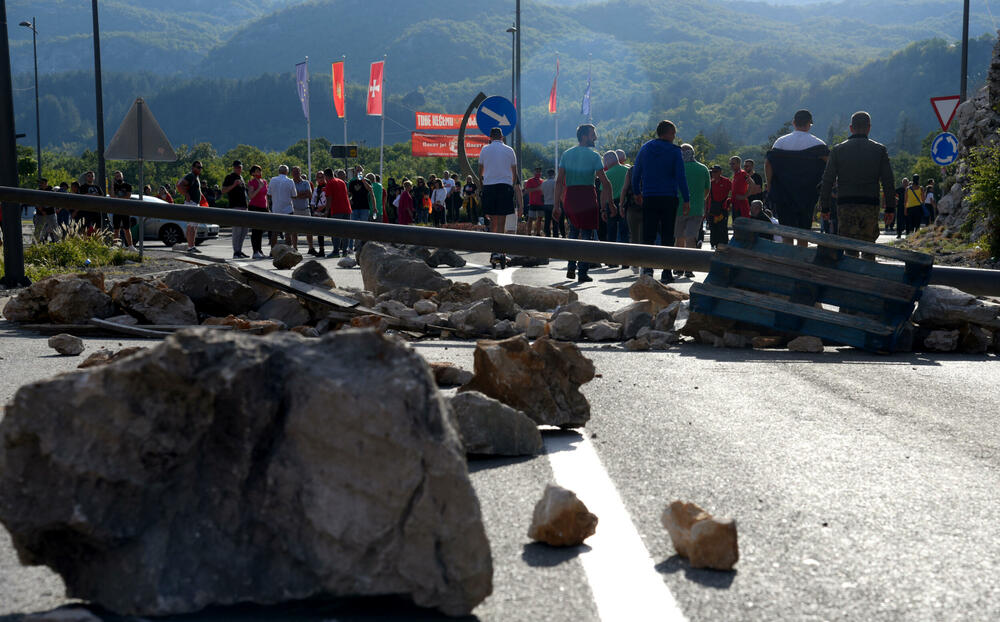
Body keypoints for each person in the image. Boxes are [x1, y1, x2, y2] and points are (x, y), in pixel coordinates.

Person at [819, 111, 895, 259]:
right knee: (869, 248)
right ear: (869, 127)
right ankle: (868, 278)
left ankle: (852, 279)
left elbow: (827, 180)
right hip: (870, 205)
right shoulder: (879, 150)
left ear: (851, 128)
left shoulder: (838, 150)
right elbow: (888, 181)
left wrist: (825, 207)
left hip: (846, 205)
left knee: (849, 249)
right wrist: (890, 208)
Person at [630, 119, 690, 284]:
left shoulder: (645, 148)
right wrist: (686, 198)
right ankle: (666, 271)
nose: (675, 136)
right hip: (669, 197)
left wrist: (636, 192)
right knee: (667, 235)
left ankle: (647, 269)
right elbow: (680, 177)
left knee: (648, 233)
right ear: (669, 133)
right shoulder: (674, 151)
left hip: (649, 196)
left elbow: (636, 172)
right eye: (674, 133)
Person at [554, 123, 613, 283]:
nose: (596, 137)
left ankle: (571, 266)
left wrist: (556, 205)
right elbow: (605, 182)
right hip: (587, 194)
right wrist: (611, 204)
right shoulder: (594, 156)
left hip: (571, 196)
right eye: (593, 134)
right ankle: (582, 272)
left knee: (573, 232)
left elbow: (559, 181)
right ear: (585, 136)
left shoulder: (566, 154)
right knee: (586, 235)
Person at [765, 109, 829, 245]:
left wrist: (769, 184)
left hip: (784, 195)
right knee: (803, 234)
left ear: (794, 123)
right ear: (809, 124)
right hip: (806, 195)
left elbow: (768, 163)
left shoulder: (780, 142)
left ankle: (788, 263)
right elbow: (829, 163)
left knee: (786, 234)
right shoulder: (818, 144)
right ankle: (801, 261)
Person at [477, 127, 523, 267]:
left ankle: (494, 252)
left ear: (490, 137)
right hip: (504, 186)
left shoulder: (484, 149)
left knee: (493, 220)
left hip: (489, 186)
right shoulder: (509, 150)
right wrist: (511, 185)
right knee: (502, 221)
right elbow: (514, 172)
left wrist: (482, 185)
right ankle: (501, 252)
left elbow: (480, 171)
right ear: (502, 137)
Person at [674, 143, 710, 278]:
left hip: (679, 208)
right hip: (697, 209)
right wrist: (699, 200)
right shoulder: (703, 168)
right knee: (691, 238)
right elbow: (707, 190)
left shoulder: (677, 168)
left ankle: (678, 267)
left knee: (679, 238)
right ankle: (690, 267)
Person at [604, 151, 630, 265]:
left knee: (611, 232)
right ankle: (625, 261)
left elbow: (603, 193)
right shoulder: (627, 171)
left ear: (609, 161)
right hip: (624, 203)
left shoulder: (607, 174)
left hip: (611, 204)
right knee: (625, 232)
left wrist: (603, 209)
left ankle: (612, 260)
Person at [221, 160, 250, 259]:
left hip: (244, 206)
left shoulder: (241, 178)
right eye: (236, 167)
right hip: (235, 206)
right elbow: (223, 190)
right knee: (237, 230)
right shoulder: (230, 177)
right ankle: (235, 252)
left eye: (240, 167)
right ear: (233, 168)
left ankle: (239, 250)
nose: (238, 169)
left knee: (244, 231)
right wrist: (233, 185)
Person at [267, 164, 296, 251]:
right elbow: (294, 195)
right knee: (288, 232)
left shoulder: (272, 180)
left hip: (276, 209)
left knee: (274, 232)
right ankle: (288, 251)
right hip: (287, 209)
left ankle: (273, 251)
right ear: (287, 172)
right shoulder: (290, 181)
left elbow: (269, 193)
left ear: (278, 171)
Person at [324, 168, 352, 257]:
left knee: (335, 231)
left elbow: (329, 198)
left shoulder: (329, 183)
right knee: (346, 231)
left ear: (325, 176)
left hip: (337, 209)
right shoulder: (341, 181)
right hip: (347, 209)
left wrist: (327, 210)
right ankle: (345, 251)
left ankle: (336, 251)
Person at [246, 165, 270, 259]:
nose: (259, 173)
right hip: (254, 207)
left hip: (263, 207)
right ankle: (255, 251)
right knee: (255, 230)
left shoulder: (264, 181)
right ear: (252, 173)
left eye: (260, 171)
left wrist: (267, 207)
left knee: (260, 230)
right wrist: (259, 188)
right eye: (257, 171)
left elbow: (265, 196)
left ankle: (259, 250)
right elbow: (251, 196)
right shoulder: (252, 182)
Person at [111, 171, 137, 251]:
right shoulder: (114, 186)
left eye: (119, 176)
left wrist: (117, 198)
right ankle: (116, 245)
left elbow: (127, 197)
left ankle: (130, 245)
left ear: (122, 177)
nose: (118, 178)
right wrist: (112, 185)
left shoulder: (128, 186)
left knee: (126, 228)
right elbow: (112, 196)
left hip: (125, 209)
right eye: (117, 176)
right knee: (116, 229)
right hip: (116, 210)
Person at [707, 165, 732, 248]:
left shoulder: (726, 181)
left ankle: (724, 245)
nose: (713, 174)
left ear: (720, 172)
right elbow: (707, 197)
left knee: (722, 228)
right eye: (712, 172)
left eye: (715, 171)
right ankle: (713, 245)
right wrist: (706, 210)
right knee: (713, 228)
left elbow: (733, 192)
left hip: (723, 209)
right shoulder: (710, 183)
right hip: (712, 209)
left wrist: (729, 202)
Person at [32, 178, 60, 244]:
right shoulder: (38, 191)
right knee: (38, 229)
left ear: (46, 183)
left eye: (41, 183)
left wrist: (44, 210)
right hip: (40, 214)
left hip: (50, 213)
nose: (40, 184)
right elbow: (36, 203)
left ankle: (58, 243)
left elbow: (52, 202)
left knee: (55, 229)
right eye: (40, 183)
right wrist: (41, 210)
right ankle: (34, 244)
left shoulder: (51, 191)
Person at [307, 170, 328, 257]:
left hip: (326, 211)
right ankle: (321, 250)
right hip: (317, 211)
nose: (320, 179)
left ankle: (337, 249)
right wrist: (314, 210)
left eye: (322, 177)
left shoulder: (328, 187)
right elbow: (312, 201)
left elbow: (327, 201)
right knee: (320, 232)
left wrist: (321, 209)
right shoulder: (316, 189)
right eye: (318, 177)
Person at [728, 156, 751, 221]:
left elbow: (752, 184)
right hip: (735, 205)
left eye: (733, 164)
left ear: (738, 164)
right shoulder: (735, 174)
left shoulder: (743, 173)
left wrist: (745, 196)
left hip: (742, 206)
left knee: (742, 227)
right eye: (730, 164)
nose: (731, 165)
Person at [524, 167, 546, 235]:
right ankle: (529, 233)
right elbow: (527, 190)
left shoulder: (542, 181)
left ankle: (538, 233)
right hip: (533, 202)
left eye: (539, 172)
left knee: (539, 219)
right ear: (534, 172)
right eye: (537, 171)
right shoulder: (530, 181)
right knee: (530, 219)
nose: (538, 173)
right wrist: (537, 188)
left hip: (541, 203)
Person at [540, 168, 559, 237]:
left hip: (546, 203)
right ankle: (555, 235)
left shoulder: (543, 183)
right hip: (553, 204)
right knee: (555, 221)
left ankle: (547, 235)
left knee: (547, 221)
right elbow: (556, 193)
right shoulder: (555, 182)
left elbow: (542, 195)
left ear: (548, 174)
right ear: (554, 174)